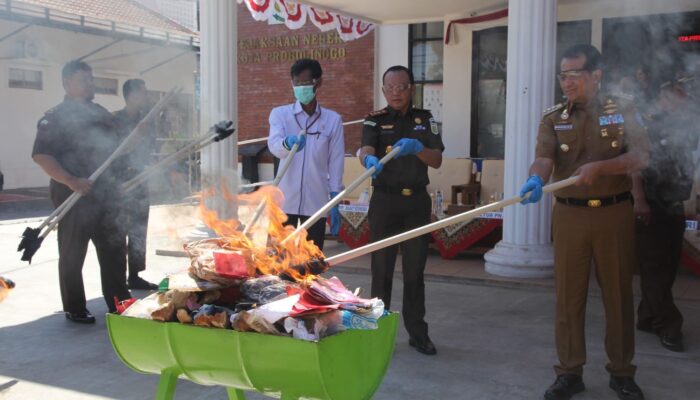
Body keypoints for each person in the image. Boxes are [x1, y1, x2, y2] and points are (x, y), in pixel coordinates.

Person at [519, 45, 648, 400]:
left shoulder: (622, 110)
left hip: (614, 213)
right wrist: (535, 178)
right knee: (568, 297)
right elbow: (544, 158)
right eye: (563, 75)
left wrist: (602, 168)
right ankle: (569, 372)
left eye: (574, 74)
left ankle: (622, 372)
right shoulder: (553, 117)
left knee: (618, 295)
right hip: (570, 215)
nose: (567, 82)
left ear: (596, 75)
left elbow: (641, 156)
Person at [31, 60, 131, 323]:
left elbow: (119, 148)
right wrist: (71, 180)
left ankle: (119, 302)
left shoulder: (101, 113)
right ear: (67, 84)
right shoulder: (55, 118)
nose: (91, 85)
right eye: (84, 80)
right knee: (73, 253)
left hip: (106, 193)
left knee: (114, 249)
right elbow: (42, 156)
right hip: (73, 194)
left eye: (91, 79)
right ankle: (75, 307)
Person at [358, 65, 444, 356]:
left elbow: (436, 160)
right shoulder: (374, 119)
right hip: (384, 201)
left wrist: (418, 147)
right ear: (383, 91)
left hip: (416, 203)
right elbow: (366, 149)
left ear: (411, 89)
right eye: (390, 88)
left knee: (414, 271)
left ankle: (418, 333)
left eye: (402, 87)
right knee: (380, 270)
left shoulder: (425, 119)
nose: (396, 92)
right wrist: (367, 159)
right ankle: (377, 333)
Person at [632, 79, 697, 352]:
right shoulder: (646, 125)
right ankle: (669, 325)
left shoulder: (682, 125)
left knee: (667, 266)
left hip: (674, 205)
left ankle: (648, 316)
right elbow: (633, 165)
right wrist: (639, 200)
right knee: (656, 267)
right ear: (663, 97)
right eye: (677, 96)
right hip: (652, 205)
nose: (682, 101)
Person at [267, 59, 344, 250]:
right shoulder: (280, 115)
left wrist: (335, 197)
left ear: (318, 83)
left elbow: (335, 161)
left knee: (310, 261)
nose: (300, 88)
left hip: (316, 203)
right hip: (284, 202)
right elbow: (274, 146)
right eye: (296, 84)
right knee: (280, 260)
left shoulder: (332, 120)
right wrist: (288, 143)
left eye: (305, 84)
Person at [113, 79, 158, 290]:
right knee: (119, 229)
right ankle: (117, 276)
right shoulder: (115, 120)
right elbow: (114, 151)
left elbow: (149, 150)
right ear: (130, 95)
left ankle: (136, 274)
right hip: (120, 181)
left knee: (139, 228)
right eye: (142, 92)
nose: (145, 97)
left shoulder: (147, 120)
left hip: (140, 180)